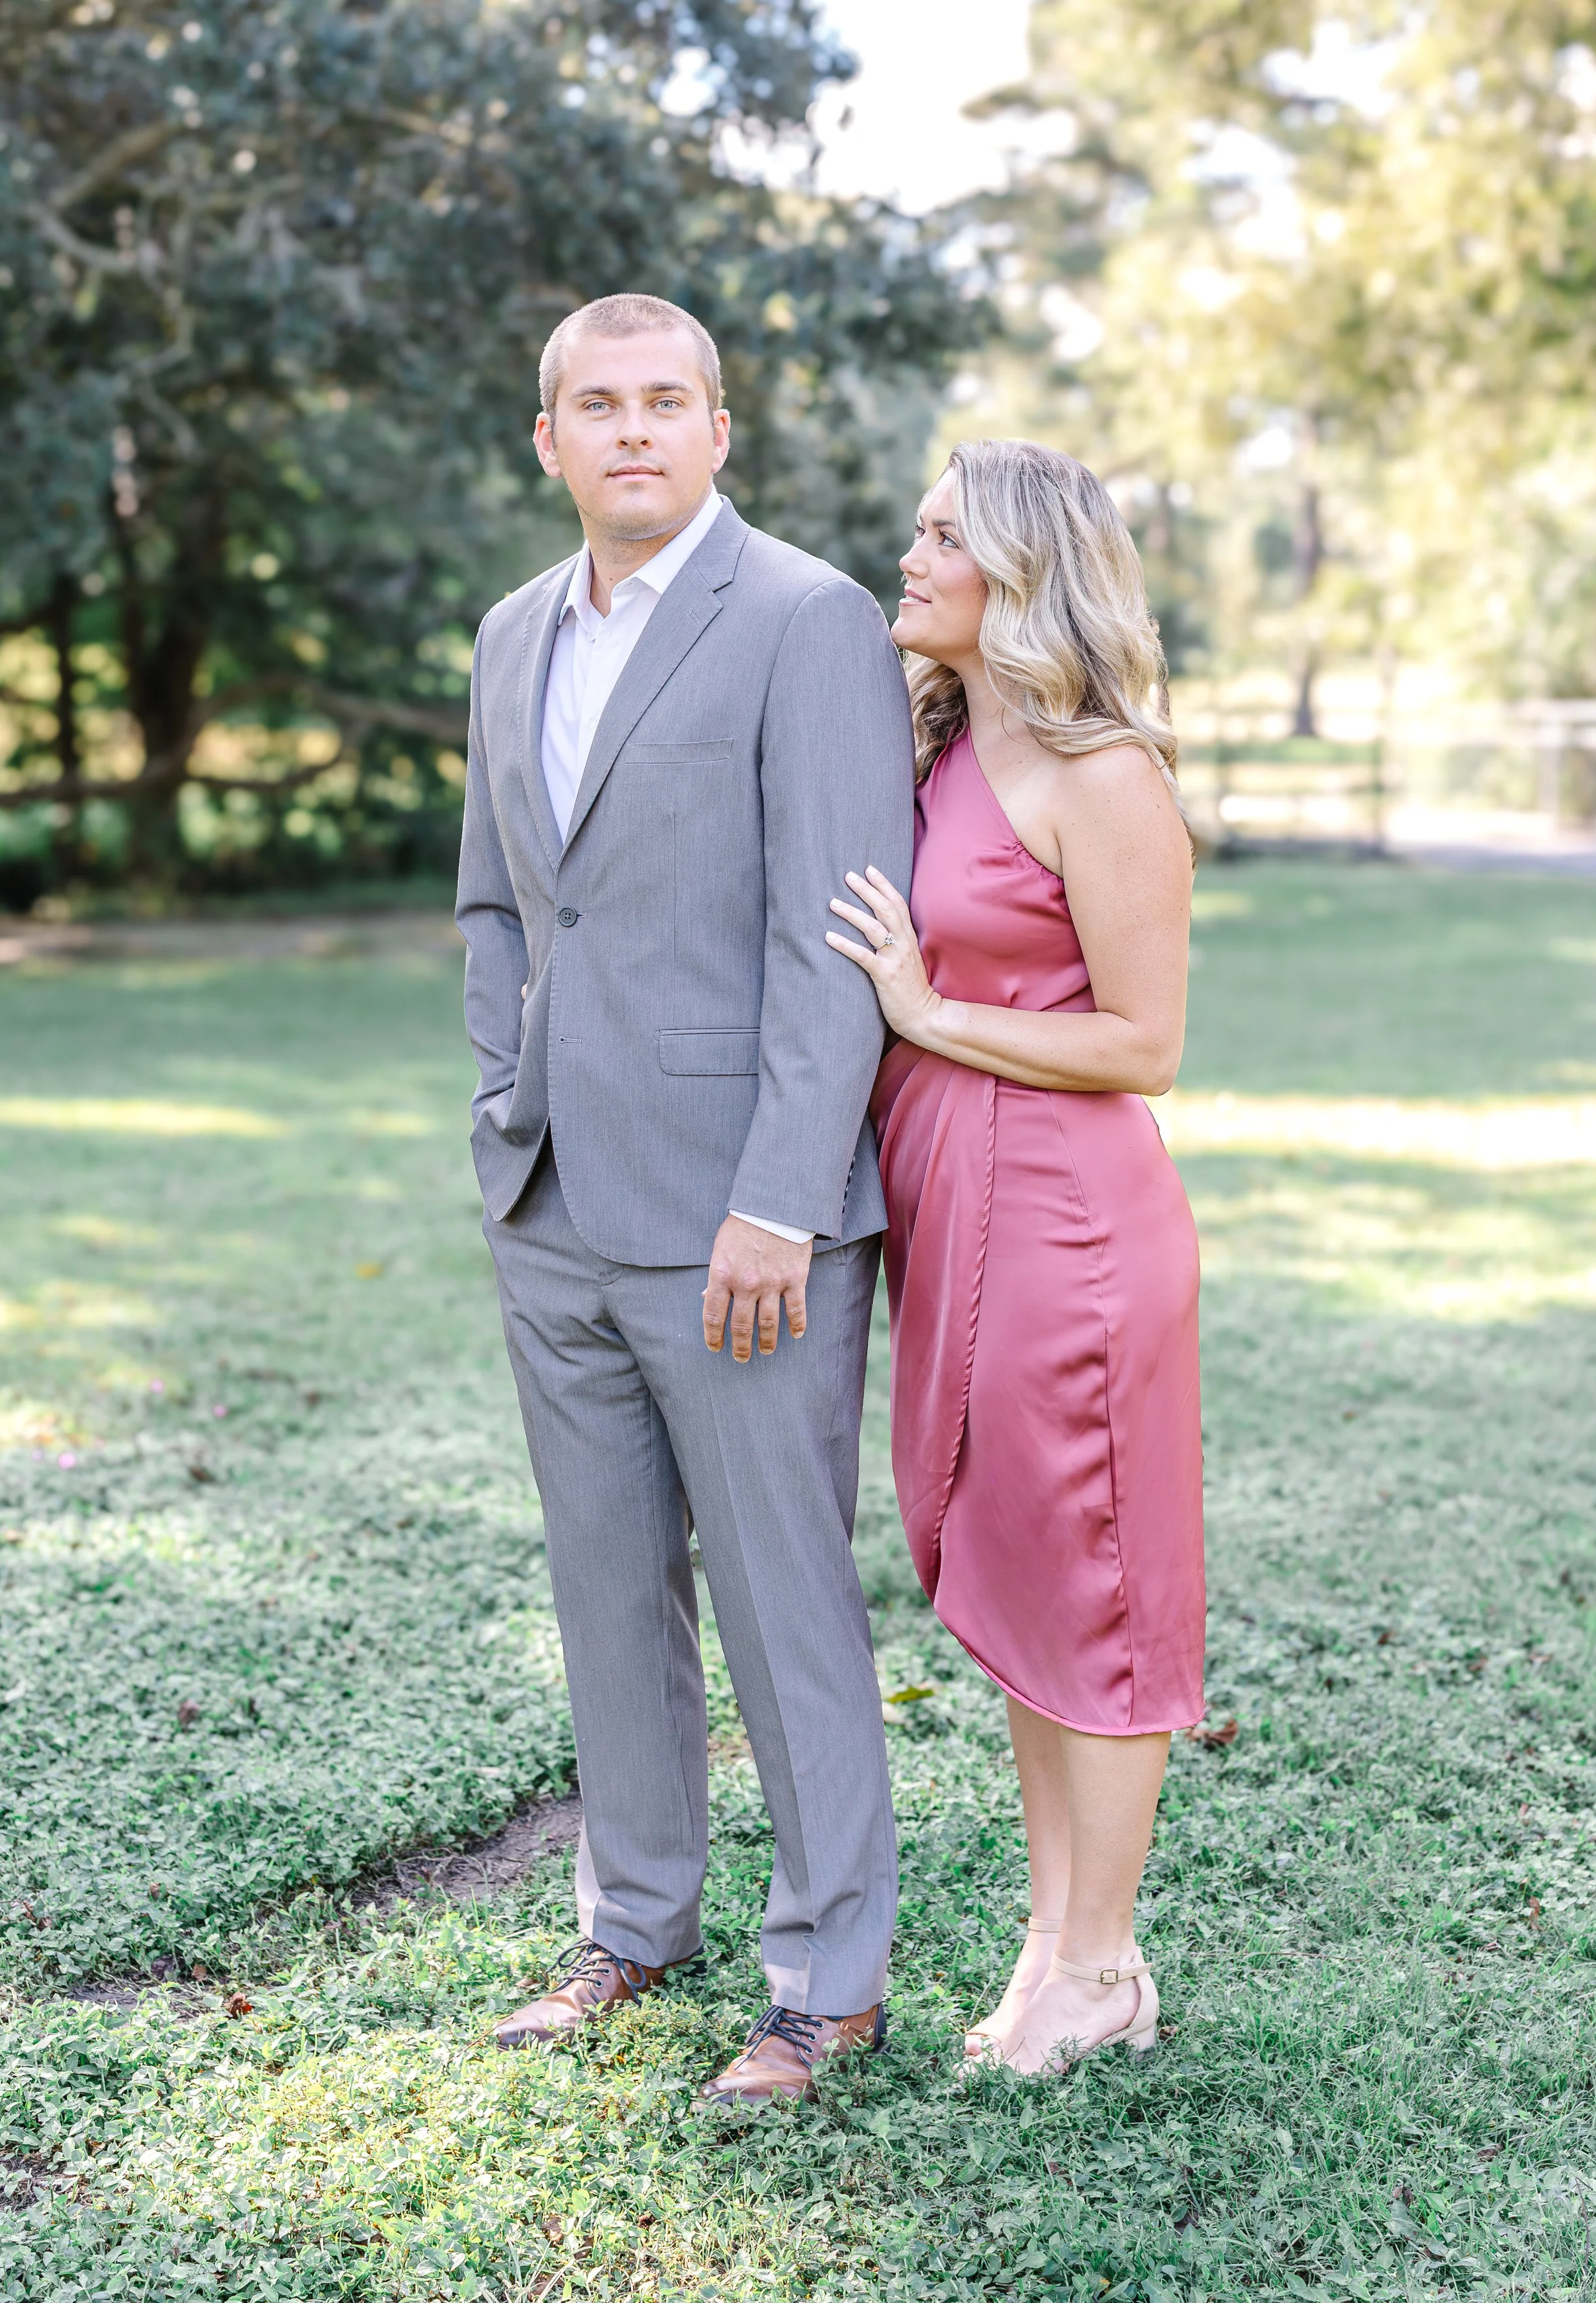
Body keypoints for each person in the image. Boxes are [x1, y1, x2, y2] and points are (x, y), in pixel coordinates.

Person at [457, 293, 914, 2105]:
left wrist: (780, 1200)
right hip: (554, 1197)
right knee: (604, 1585)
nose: (631, 429)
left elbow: (838, 937)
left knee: (781, 1593)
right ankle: (635, 1918)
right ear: (547, 435)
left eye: (666, 401)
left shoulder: (807, 621)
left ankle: (828, 1975)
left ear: (719, 429)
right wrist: (504, 1100)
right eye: (596, 402)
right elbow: (499, 903)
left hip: (745, 1220)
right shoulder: (509, 633)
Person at [826, 438, 1203, 2077]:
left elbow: (1146, 1043)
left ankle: (1102, 1962)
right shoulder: (934, 748)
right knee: (1012, 1568)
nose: (906, 559)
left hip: (1068, 1221)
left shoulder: (1101, 773)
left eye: (938, 537)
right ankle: (1057, 1943)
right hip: (950, 1206)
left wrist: (927, 1012)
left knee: (1092, 1582)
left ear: (1023, 576)